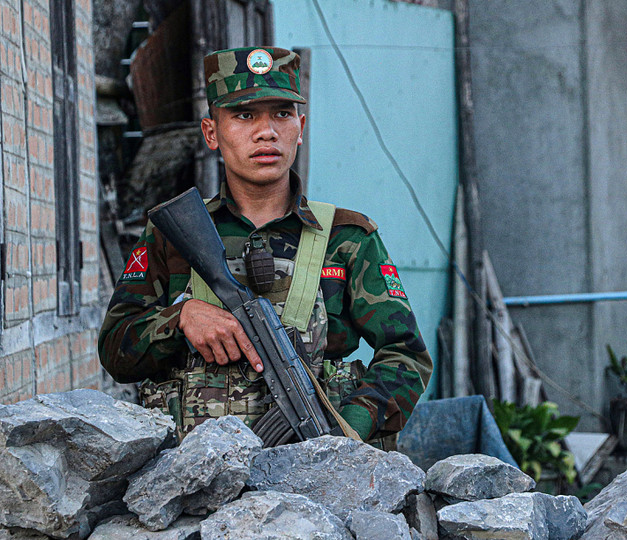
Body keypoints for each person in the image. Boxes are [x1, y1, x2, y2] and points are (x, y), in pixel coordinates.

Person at [98, 47, 432, 448]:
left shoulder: (347, 238)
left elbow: (406, 356)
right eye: (244, 116)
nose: (267, 132)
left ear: (300, 127)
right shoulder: (173, 235)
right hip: (196, 474)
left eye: (282, 114)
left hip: (321, 467)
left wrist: (346, 434)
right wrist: (180, 319)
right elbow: (115, 350)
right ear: (211, 133)